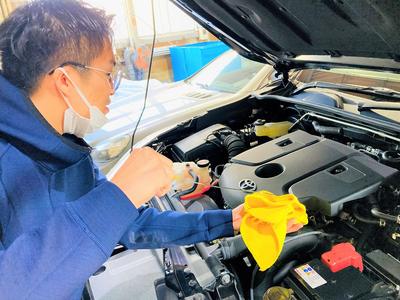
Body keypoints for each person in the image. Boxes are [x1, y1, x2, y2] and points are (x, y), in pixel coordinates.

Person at [0, 1, 300, 299]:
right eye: (107, 73)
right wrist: (118, 195)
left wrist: (225, 221)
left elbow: (129, 224)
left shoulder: (63, 146)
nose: (112, 88)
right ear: (66, 80)